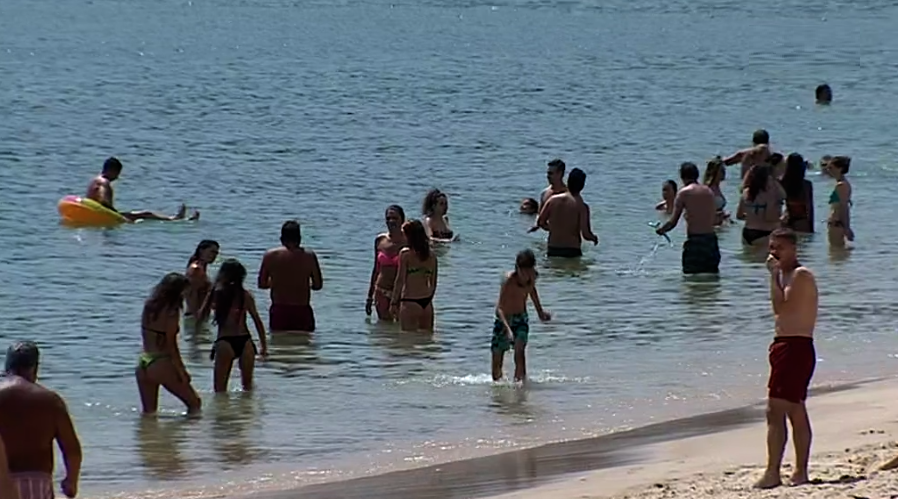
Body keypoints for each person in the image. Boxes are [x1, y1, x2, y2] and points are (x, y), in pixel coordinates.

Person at [755, 228, 818, 489]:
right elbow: (779, 311)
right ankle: (797, 471)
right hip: (785, 346)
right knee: (794, 408)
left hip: (795, 347)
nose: (774, 252)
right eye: (772, 247)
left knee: (777, 409)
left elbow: (782, 306)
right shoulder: (786, 275)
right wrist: (777, 275)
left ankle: (775, 472)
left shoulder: (800, 275)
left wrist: (773, 275)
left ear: (793, 248)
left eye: (779, 247)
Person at [0, 341, 82, 499]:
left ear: (6, 366)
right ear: (35, 368)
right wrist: (71, 481)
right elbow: (71, 449)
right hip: (37, 482)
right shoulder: (50, 400)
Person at [136, 273, 202, 415]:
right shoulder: (171, 311)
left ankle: (150, 436)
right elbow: (171, 344)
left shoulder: (149, 305)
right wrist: (181, 370)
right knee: (195, 403)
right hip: (161, 362)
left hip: (144, 362)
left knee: (149, 413)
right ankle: (185, 436)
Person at [202, 259, 269, 392]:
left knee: (220, 390)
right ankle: (246, 411)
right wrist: (264, 346)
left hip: (224, 341)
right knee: (248, 387)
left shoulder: (217, 294)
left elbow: (201, 316)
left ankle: (224, 411)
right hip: (245, 341)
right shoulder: (246, 295)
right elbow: (257, 321)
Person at [491, 249, 551, 382]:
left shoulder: (533, 277)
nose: (526, 275)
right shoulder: (508, 280)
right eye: (523, 271)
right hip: (503, 320)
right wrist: (507, 329)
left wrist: (540, 312)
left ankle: (520, 387)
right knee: (496, 364)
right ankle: (499, 393)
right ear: (517, 268)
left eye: (528, 271)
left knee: (519, 351)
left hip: (521, 319)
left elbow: (532, 291)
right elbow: (499, 308)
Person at [85, 157, 199, 222]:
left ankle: (176, 218)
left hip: (96, 212)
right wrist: (120, 218)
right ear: (113, 170)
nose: (117, 177)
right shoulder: (104, 183)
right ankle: (175, 219)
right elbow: (104, 200)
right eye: (117, 173)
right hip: (104, 215)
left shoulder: (95, 180)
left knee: (138, 214)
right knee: (145, 214)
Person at [656, 162, 720, 274]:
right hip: (711, 241)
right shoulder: (708, 192)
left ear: (682, 176)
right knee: (711, 277)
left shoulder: (684, 193)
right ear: (697, 175)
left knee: (691, 280)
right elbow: (714, 219)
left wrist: (662, 230)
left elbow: (673, 222)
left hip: (695, 242)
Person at [258, 220, 323, 333]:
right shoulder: (309, 256)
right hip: (302, 310)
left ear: (282, 238)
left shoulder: (270, 255)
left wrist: (278, 282)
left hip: (279, 310)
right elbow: (318, 285)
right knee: (304, 346)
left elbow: (262, 284)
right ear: (299, 238)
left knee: (279, 346)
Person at [530, 168, 599, 258]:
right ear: (582, 186)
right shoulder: (582, 207)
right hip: (572, 250)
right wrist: (594, 238)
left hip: (553, 248)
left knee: (554, 271)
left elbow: (540, 222)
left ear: (568, 181)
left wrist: (553, 229)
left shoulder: (553, 200)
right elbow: (586, 234)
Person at [391, 220, 438, 332]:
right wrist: (429, 297)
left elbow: (400, 280)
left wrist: (393, 302)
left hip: (410, 301)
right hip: (427, 303)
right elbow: (433, 282)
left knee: (407, 342)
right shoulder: (431, 256)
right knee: (426, 341)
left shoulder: (405, 254)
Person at [366, 205, 407, 320]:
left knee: (401, 327)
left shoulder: (409, 241)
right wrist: (369, 296)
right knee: (385, 330)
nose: (391, 221)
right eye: (388, 218)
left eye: (395, 218)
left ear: (402, 220)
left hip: (401, 293)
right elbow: (376, 269)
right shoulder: (380, 240)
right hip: (381, 290)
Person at [736, 164, 785, 246]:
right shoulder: (768, 195)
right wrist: (782, 219)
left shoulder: (746, 192)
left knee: (749, 258)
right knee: (762, 258)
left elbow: (739, 216)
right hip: (764, 233)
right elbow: (769, 217)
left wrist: (753, 216)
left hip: (747, 232)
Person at [185, 240, 220, 332]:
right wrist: (197, 319)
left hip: (199, 316)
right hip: (195, 317)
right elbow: (192, 295)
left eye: (216, 253)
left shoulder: (200, 268)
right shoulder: (196, 270)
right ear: (201, 250)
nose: (214, 256)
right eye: (211, 252)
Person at [780, 153, 814, 233]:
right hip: (801, 218)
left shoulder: (782, 182)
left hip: (786, 217)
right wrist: (811, 226)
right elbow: (809, 206)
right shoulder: (806, 184)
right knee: (802, 243)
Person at [826, 156, 854, 247]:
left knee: (835, 253)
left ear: (840, 169)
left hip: (837, 224)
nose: (828, 170)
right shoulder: (842, 183)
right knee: (836, 254)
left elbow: (844, 207)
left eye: (831, 168)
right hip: (836, 223)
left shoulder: (841, 185)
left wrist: (847, 228)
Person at [703, 157, 730, 225]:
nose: (724, 173)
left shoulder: (717, 187)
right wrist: (720, 214)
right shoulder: (708, 189)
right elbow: (702, 211)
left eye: (724, 170)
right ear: (714, 172)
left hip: (719, 225)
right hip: (710, 226)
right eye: (722, 170)